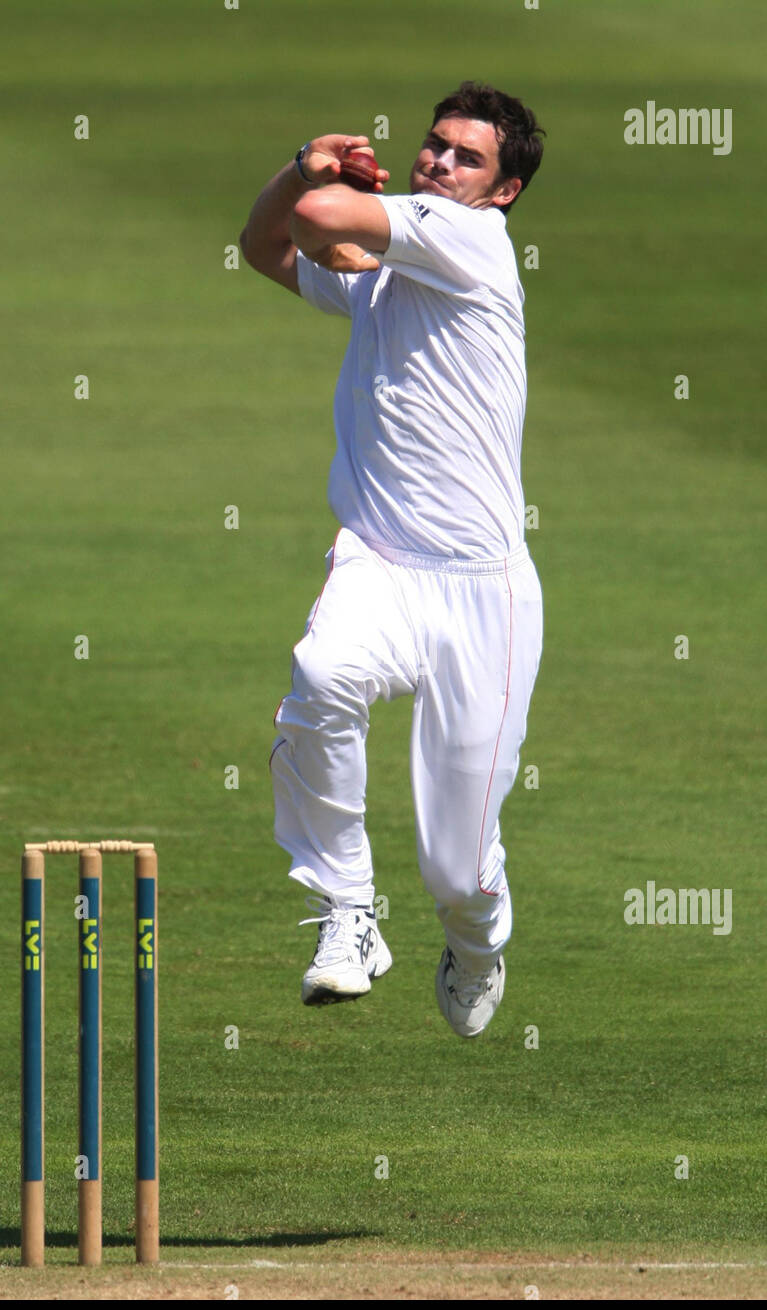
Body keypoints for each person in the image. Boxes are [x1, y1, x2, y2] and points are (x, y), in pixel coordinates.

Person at [240, 81, 545, 1037]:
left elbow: (325, 217)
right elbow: (267, 246)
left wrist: (323, 184)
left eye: (466, 158)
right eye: (433, 145)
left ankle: (477, 940)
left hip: (480, 592)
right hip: (378, 557)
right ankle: (347, 910)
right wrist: (300, 166)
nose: (438, 162)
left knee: (456, 868)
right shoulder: (386, 263)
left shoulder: (468, 241)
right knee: (321, 674)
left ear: (502, 193)